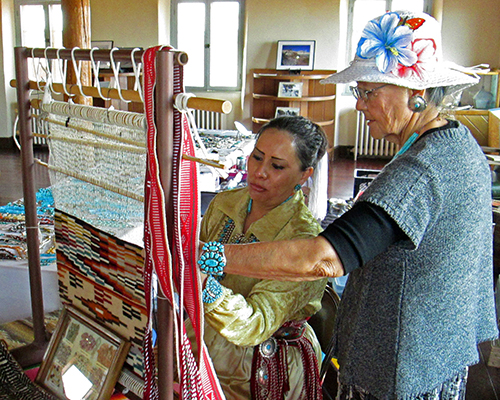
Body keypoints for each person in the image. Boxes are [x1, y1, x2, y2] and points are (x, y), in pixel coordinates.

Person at [197, 10, 499, 400]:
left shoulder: (423, 169)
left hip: (403, 368)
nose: (359, 105)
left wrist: (209, 257)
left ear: (416, 93)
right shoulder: (454, 146)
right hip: (429, 353)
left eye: (368, 92)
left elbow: (323, 259)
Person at [196, 116, 329, 399]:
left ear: (305, 175)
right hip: (207, 341)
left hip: (266, 366)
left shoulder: (304, 241)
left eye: (277, 166)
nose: (259, 172)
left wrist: (203, 284)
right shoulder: (225, 204)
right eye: (256, 157)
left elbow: (255, 323)